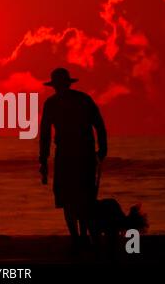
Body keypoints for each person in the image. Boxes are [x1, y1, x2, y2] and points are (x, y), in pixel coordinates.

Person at [39, 67, 107, 248]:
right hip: (77, 154)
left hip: (72, 155)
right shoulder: (81, 100)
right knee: (78, 198)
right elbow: (99, 126)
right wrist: (102, 149)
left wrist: (43, 161)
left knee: (73, 199)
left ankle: (79, 238)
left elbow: (45, 135)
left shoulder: (56, 103)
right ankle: (80, 237)